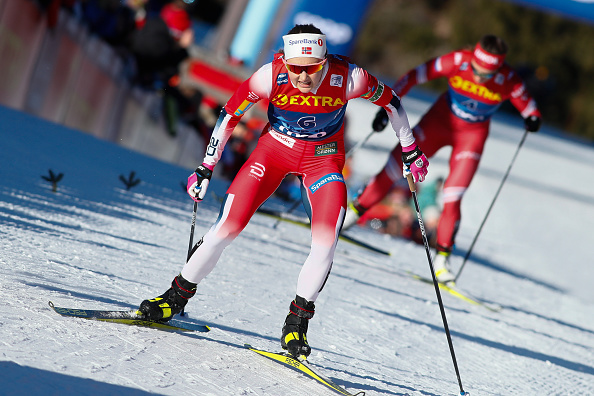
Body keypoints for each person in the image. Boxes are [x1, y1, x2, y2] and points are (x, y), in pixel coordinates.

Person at [137, 24, 429, 358]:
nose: (304, 77)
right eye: (296, 69)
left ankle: (296, 327)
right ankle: (173, 300)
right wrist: (206, 166)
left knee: (325, 244)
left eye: (313, 68)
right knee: (223, 230)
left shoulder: (349, 78)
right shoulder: (268, 75)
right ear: (285, 61)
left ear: (324, 61)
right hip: (273, 152)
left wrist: (410, 149)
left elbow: (392, 103)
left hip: (322, 161)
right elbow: (230, 114)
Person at [343, 35, 541, 284]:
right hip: (438, 123)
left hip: (471, 137)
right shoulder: (458, 61)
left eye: (487, 75)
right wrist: (389, 109)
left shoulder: (508, 79)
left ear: (499, 69)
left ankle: (442, 263)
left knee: (453, 195)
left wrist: (532, 118)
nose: (480, 78)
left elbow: (529, 107)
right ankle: (350, 218)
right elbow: (414, 76)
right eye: (477, 71)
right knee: (395, 168)